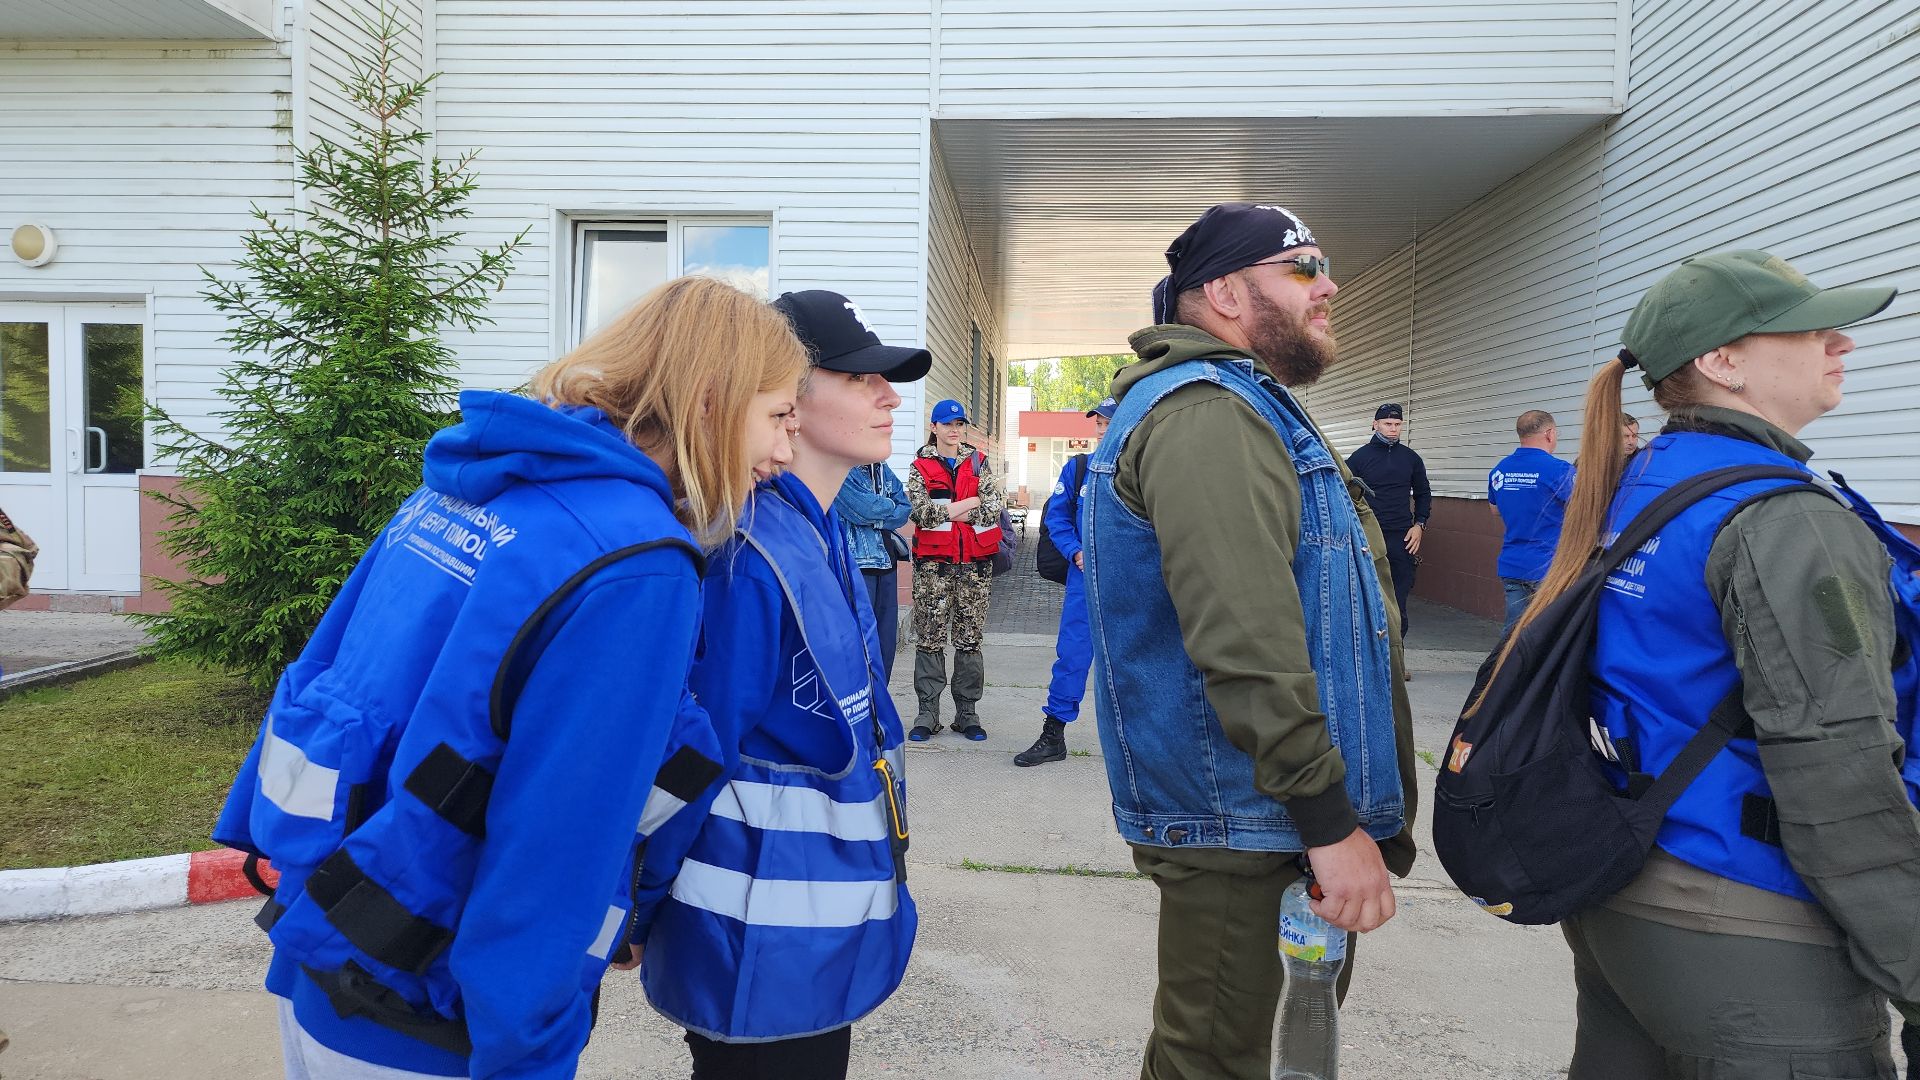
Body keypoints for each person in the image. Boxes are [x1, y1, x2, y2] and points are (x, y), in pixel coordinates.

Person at [211, 277, 806, 1079]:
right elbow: (557, 843)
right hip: (431, 1023)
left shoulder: (468, 486)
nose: (785, 453)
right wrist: (528, 1053)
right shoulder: (636, 562)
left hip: (324, 950)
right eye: (777, 416)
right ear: (709, 401)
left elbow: (329, 666)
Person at [1500, 250, 1918, 1078]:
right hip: (1747, 916)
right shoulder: (1785, 519)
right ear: (1723, 362)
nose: (1842, 344)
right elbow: (1839, 775)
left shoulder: (1647, 479)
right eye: (1812, 330)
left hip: (1626, 893)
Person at [1085, 202, 1417, 1080]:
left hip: (1269, 821)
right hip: (1250, 824)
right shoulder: (1207, 414)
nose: (1328, 287)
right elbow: (1245, 639)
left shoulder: (1245, 405)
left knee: (1259, 1056)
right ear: (1226, 294)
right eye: (1303, 268)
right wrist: (1327, 820)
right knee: (1215, 1064)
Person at [632, 289, 922, 1080]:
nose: (889, 396)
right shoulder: (750, 556)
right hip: (753, 949)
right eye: (859, 377)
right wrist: (635, 909)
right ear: (789, 395)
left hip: (809, 940)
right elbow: (691, 757)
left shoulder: (819, 531)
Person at [1014, 395, 1116, 767]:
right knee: (1072, 656)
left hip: (1129, 583)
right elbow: (1057, 519)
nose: (1101, 430)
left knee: (1135, 662)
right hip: (1084, 579)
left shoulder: (1143, 469)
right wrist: (1075, 552)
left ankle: (1142, 747)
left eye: (1108, 423)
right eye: (1098, 423)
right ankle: (1053, 736)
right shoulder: (1078, 469)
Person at [905, 398, 1007, 742]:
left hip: (974, 568)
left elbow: (993, 508)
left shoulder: (978, 462)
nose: (954, 430)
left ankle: (967, 714)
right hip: (933, 570)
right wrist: (967, 503)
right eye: (947, 424)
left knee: (969, 640)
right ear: (934, 427)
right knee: (930, 639)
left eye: (959, 424)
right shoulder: (920, 466)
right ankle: (927, 714)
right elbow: (922, 514)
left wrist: (952, 510)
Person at [1344, 402, 1430, 639]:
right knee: (1368, 597)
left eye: (1397, 424)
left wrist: (1419, 525)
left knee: (1398, 600)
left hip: (1402, 537)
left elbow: (1423, 493)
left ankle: (1397, 654)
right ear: (1375, 425)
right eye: (1387, 423)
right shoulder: (1359, 458)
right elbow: (1344, 494)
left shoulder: (1411, 459)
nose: (1393, 429)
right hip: (1369, 536)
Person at [1487, 409, 1575, 632]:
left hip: (1512, 564)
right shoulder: (1559, 470)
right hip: (1548, 566)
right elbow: (1583, 508)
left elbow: (1495, 510)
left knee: (1513, 633)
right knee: (1549, 633)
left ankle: (1506, 657)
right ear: (1549, 434)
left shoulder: (1500, 470)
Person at [835, 459, 912, 682]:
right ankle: (861, 698)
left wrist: (878, 515)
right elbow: (864, 509)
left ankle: (880, 697)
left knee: (885, 643)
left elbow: (905, 508)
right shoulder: (841, 466)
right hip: (858, 566)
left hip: (888, 563)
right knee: (860, 641)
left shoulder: (880, 467)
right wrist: (888, 506)